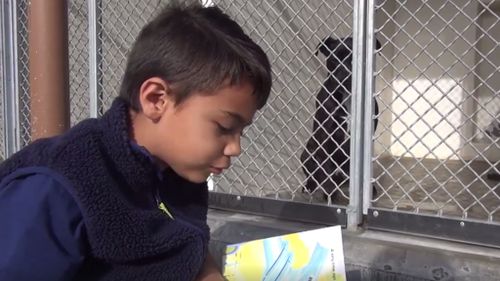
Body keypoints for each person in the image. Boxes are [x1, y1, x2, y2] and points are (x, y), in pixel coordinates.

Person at [0, 2, 272, 281]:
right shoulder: (56, 188)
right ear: (156, 99)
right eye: (225, 127)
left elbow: (189, 246)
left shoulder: (173, 176)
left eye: (242, 131)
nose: (235, 147)